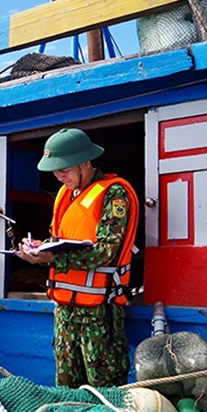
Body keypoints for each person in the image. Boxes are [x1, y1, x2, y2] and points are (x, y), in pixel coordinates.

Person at [15, 128, 139, 388]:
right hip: (64, 310)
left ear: (86, 162)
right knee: (66, 385)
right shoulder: (63, 195)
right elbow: (62, 241)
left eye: (65, 169)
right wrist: (40, 247)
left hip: (99, 311)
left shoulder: (114, 194)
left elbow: (105, 252)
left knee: (103, 386)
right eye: (55, 170)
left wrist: (51, 258)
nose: (59, 176)